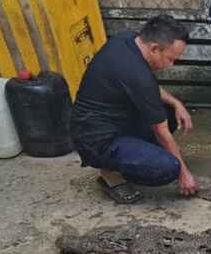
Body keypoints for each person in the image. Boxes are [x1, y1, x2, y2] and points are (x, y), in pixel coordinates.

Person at [70, 15, 197, 204]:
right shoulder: (136, 73)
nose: (172, 65)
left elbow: (149, 88)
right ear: (154, 48)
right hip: (96, 140)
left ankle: (135, 154)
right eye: (171, 59)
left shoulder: (127, 39)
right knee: (168, 168)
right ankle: (111, 174)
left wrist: (177, 103)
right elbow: (160, 130)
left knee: (170, 112)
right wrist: (184, 174)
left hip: (112, 120)